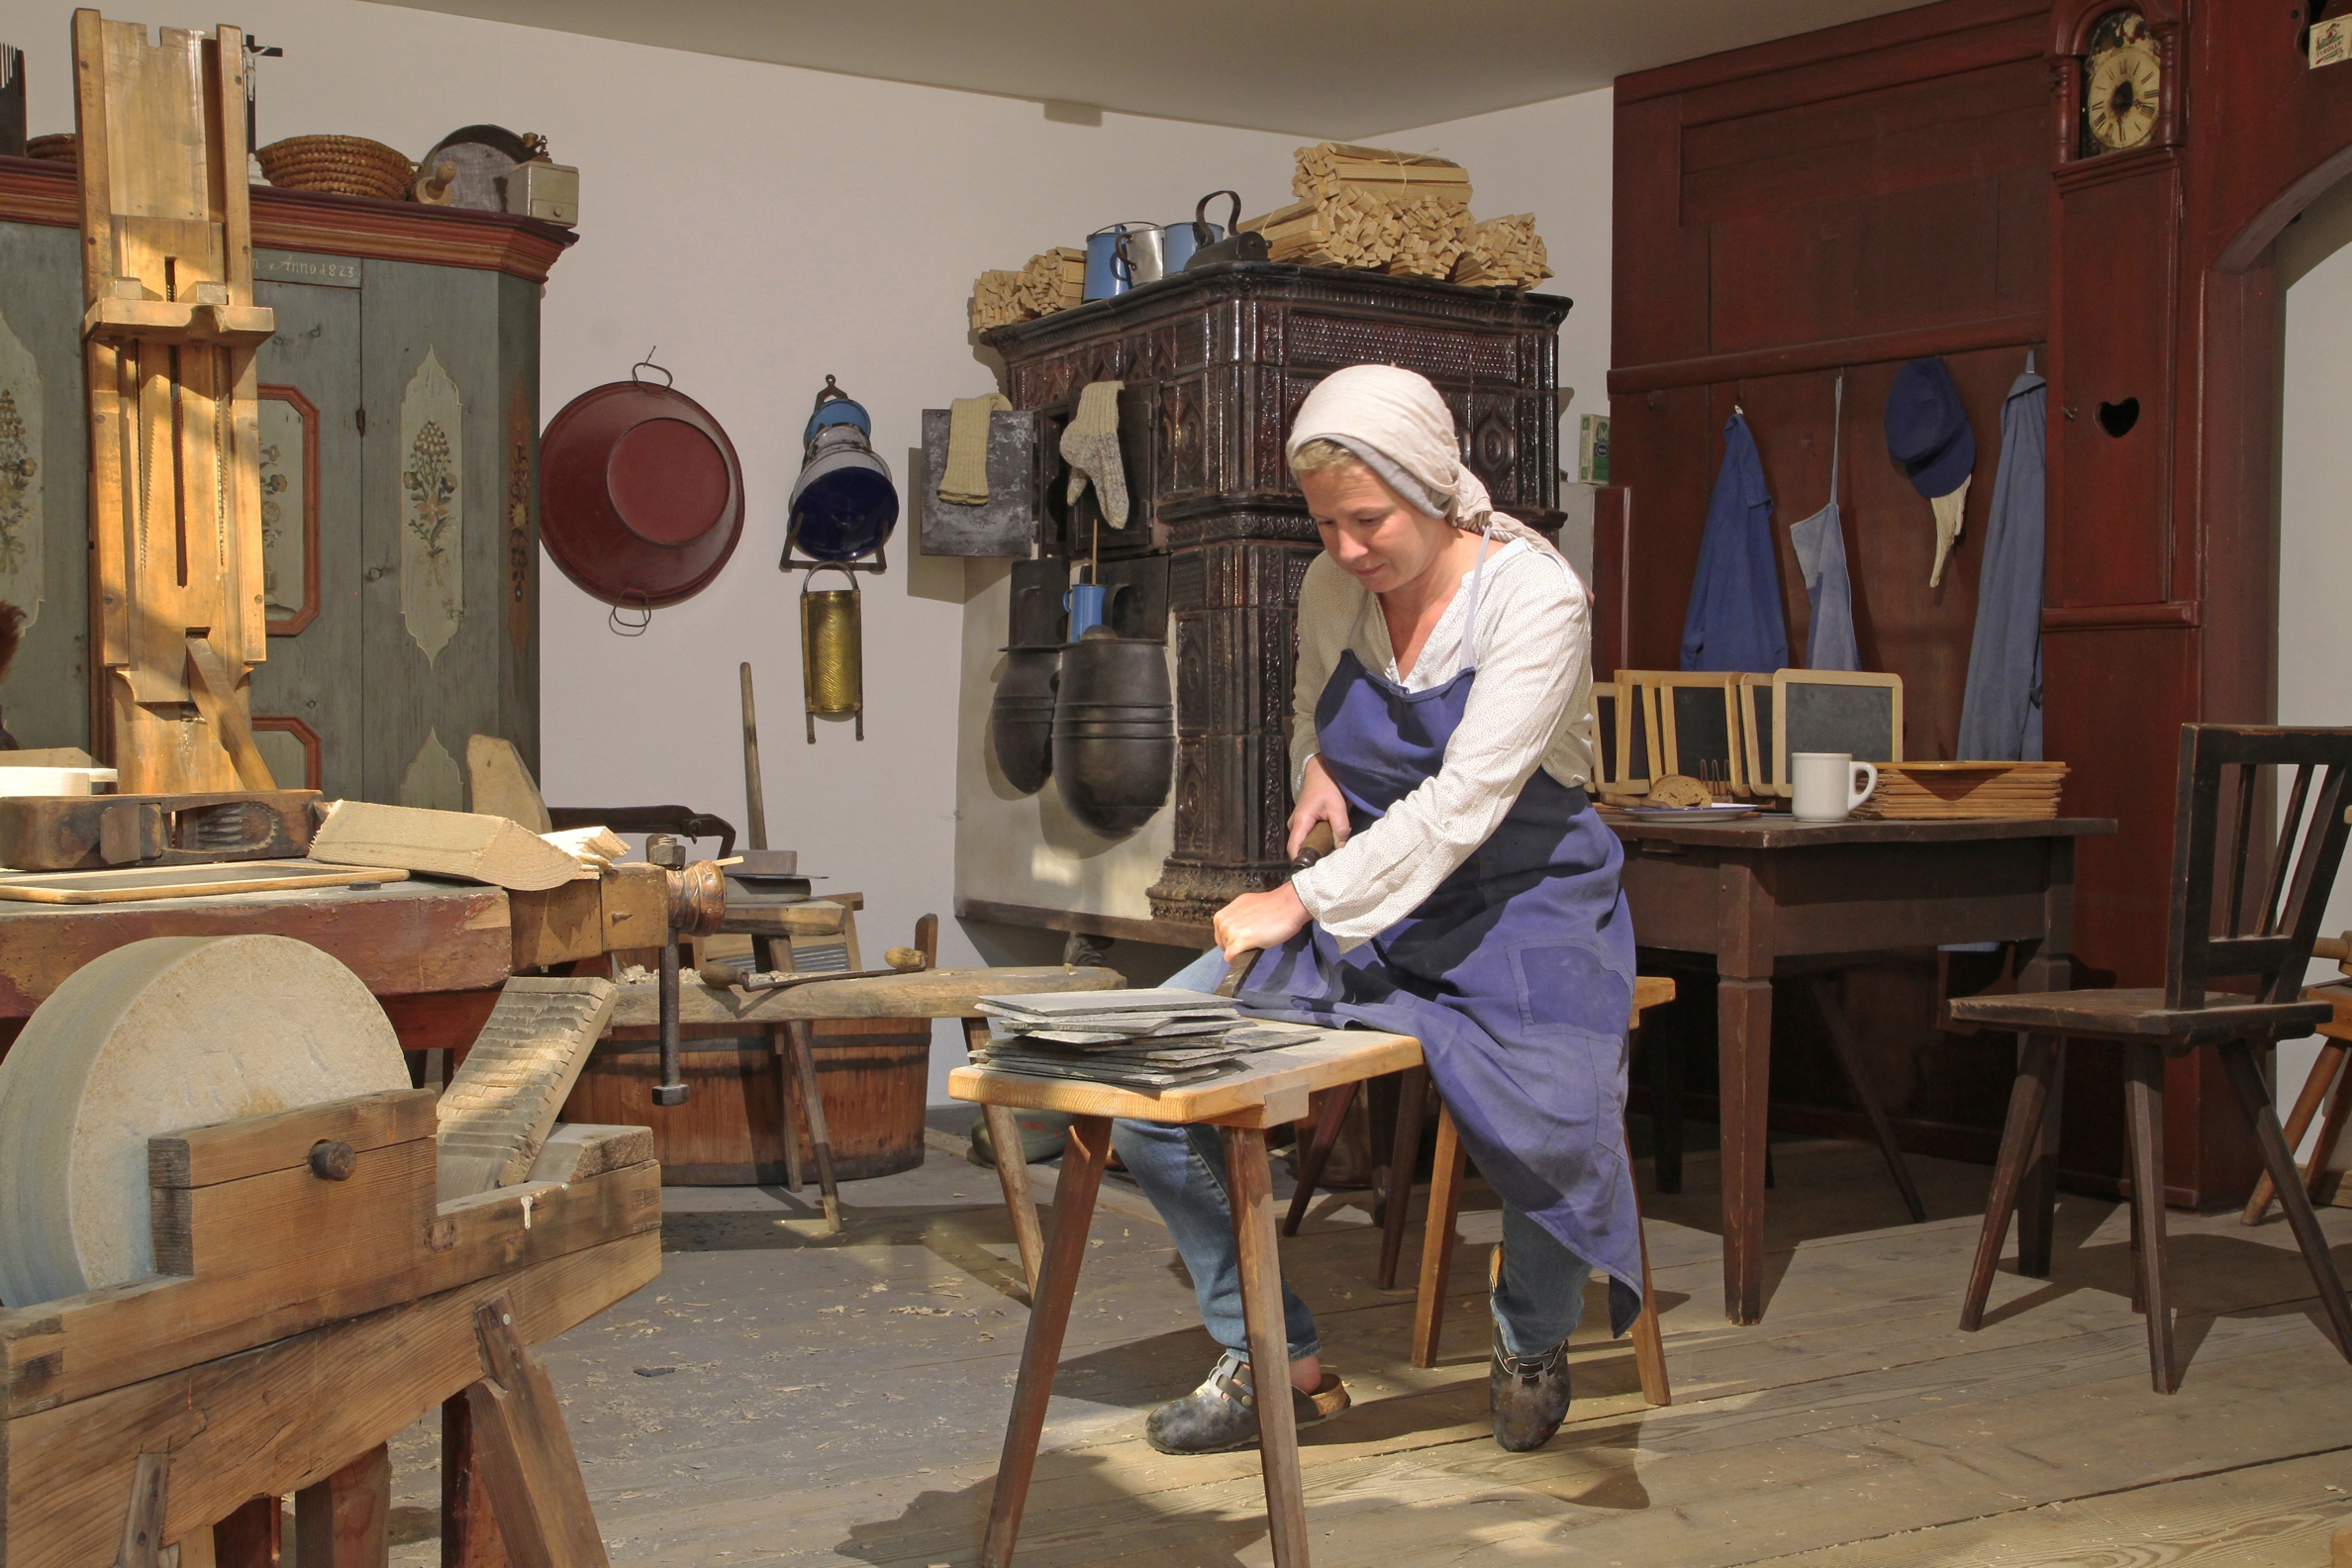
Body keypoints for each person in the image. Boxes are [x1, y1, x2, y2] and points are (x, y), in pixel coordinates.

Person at [1113, 363, 1640, 1458]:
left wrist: (1299, 897)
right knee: (1147, 1089)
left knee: (1557, 1118)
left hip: (1523, 896)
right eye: (1326, 523)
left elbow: (1469, 803)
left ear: (1436, 486)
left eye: (1369, 519)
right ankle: (1275, 1359)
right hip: (1384, 899)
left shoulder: (1534, 596)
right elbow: (1320, 718)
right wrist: (1321, 773)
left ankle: (1533, 1338)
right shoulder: (1331, 588)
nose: (1348, 548)